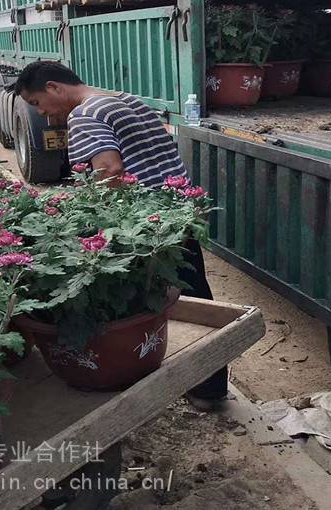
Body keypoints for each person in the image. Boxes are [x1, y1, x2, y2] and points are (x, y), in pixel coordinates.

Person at [14, 60, 229, 408]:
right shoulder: (126, 99)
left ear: (54, 87)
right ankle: (212, 386)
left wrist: (99, 224)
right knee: (199, 298)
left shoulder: (84, 114)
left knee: (159, 304)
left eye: (37, 103)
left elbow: (110, 172)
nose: (44, 114)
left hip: (147, 227)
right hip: (177, 212)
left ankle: (190, 382)